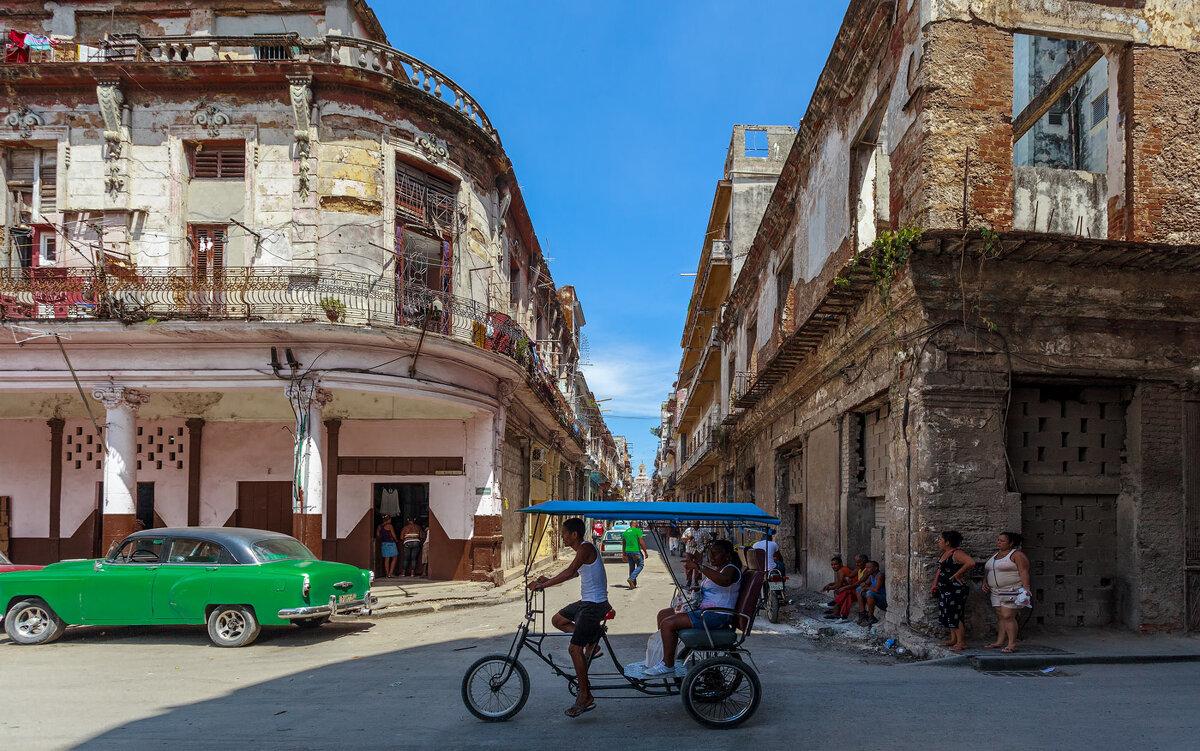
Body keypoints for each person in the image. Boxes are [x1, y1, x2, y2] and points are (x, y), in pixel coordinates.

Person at [527, 517, 610, 718]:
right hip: (587, 603)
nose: (561, 536)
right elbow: (574, 574)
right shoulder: (581, 551)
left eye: (564, 533)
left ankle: (585, 695)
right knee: (558, 620)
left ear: (574, 534)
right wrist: (548, 579)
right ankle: (592, 639)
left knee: (574, 649)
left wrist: (543, 585)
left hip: (595, 605)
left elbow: (571, 571)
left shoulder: (585, 548)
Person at [645, 539, 743, 676]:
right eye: (710, 553)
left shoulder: (731, 569)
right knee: (663, 614)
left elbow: (724, 581)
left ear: (727, 555)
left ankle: (667, 665)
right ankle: (665, 653)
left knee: (668, 624)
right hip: (704, 611)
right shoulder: (718, 569)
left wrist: (699, 567)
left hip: (717, 615)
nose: (711, 556)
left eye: (716, 553)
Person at [981, 531, 1032, 653]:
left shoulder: (1017, 555)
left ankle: (1012, 643)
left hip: (1011, 590)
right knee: (1000, 616)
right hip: (995, 591)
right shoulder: (995, 554)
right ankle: (999, 641)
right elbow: (988, 569)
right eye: (998, 540)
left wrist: (1026, 587)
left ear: (1011, 543)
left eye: (1002, 541)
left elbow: (1024, 571)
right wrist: (985, 581)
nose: (999, 542)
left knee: (1008, 615)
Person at [930, 530, 974, 651]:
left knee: (956, 614)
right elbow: (940, 570)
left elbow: (970, 562)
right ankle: (953, 639)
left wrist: (958, 574)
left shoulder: (957, 553)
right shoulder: (945, 553)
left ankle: (961, 642)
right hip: (945, 588)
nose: (938, 541)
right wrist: (935, 584)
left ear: (948, 542)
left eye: (941, 539)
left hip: (956, 589)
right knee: (948, 613)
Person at [825, 553, 867, 620]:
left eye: (859, 562)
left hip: (862, 590)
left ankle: (835, 604)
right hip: (856, 589)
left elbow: (857, 583)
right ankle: (843, 616)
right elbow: (850, 576)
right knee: (847, 596)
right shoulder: (858, 569)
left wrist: (844, 587)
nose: (857, 564)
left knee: (845, 591)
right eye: (856, 562)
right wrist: (847, 578)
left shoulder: (866, 570)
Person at [854, 560, 887, 625]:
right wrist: (864, 585)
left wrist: (866, 587)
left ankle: (871, 616)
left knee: (869, 593)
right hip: (877, 597)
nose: (867, 570)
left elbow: (877, 590)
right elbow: (865, 584)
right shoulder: (871, 576)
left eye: (869, 568)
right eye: (866, 568)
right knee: (859, 589)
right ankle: (862, 612)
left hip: (883, 599)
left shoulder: (880, 575)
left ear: (875, 568)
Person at [622, 521, 648, 588]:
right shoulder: (637, 531)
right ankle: (631, 578)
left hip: (628, 551)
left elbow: (624, 544)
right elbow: (641, 542)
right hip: (635, 551)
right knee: (640, 565)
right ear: (636, 524)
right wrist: (645, 552)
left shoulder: (625, 532)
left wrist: (624, 554)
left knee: (632, 567)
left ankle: (633, 584)